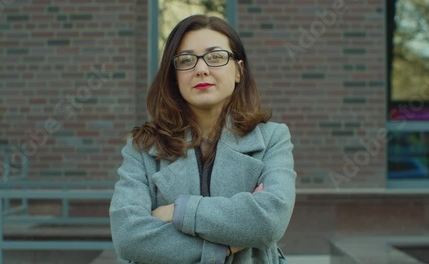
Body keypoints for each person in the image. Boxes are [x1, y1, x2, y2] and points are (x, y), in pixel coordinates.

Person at [110, 14, 296, 264]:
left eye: (216, 57)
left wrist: (180, 211)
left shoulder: (272, 138)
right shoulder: (143, 147)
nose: (201, 69)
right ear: (174, 76)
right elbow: (129, 237)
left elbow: (270, 221)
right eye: (186, 60)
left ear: (238, 71)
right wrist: (223, 248)